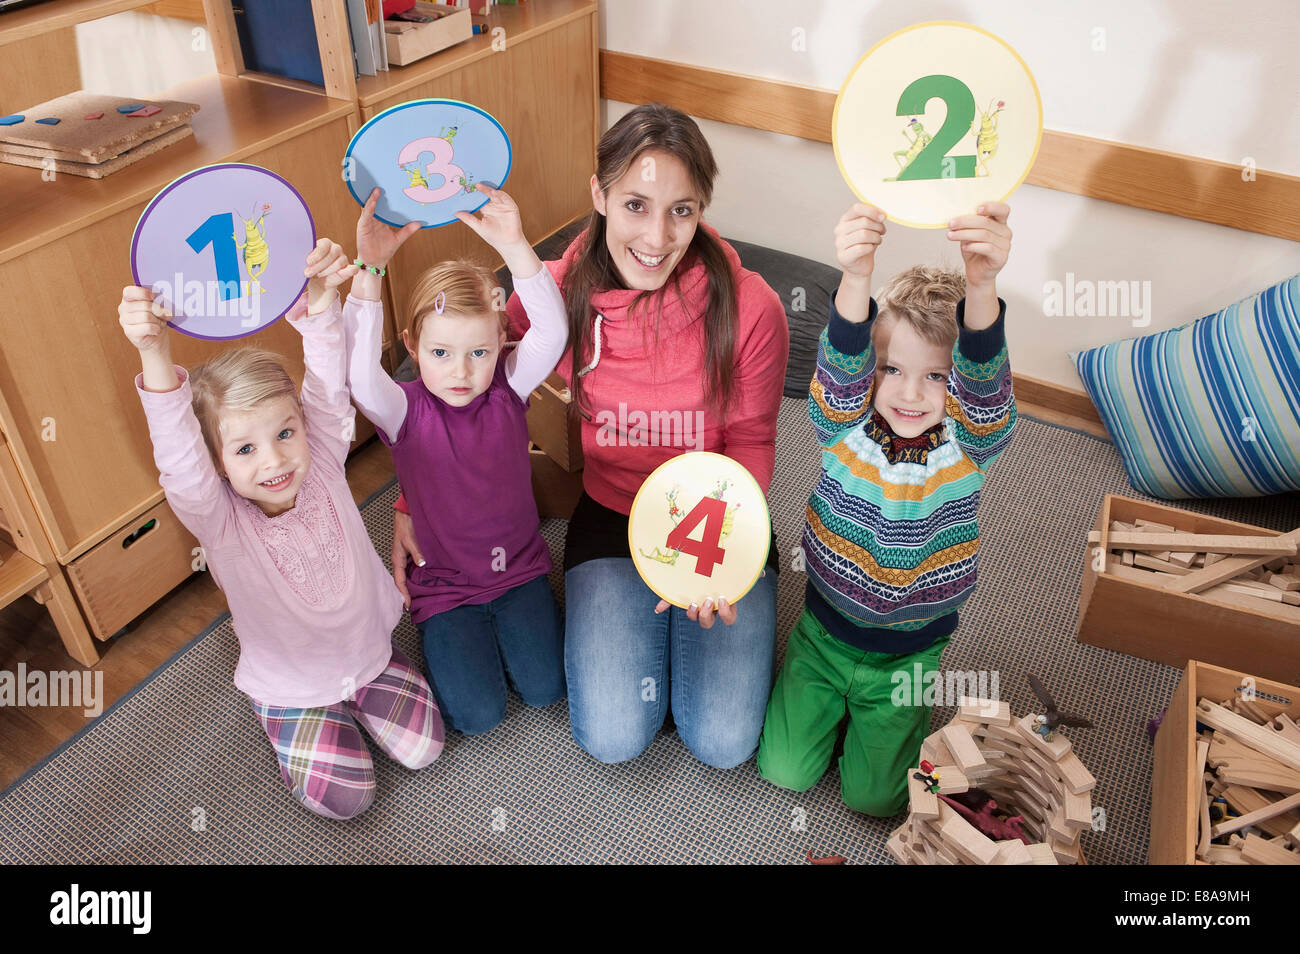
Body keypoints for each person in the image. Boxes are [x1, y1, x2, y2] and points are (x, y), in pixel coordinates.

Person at [392, 103, 790, 767]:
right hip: (612, 514)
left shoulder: (754, 308)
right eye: (635, 204)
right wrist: (411, 502)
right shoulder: (553, 295)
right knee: (612, 737)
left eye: (681, 210)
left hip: (717, 522)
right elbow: (459, 396)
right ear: (599, 194)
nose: (658, 237)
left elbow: (751, 439)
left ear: (702, 208)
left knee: (722, 743)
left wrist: (712, 561)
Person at [118, 239, 444, 820]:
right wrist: (153, 350)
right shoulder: (216, 516)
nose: (274, 461)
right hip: (292, 683)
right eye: (244, 449)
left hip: (366, 651)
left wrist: (319, 300)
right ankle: (288, 715)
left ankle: (366, 680)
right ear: (218, 462)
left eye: (284, 434)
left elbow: (327, 386)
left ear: (301, 426)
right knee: (346, 801)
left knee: (425, 751)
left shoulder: (321, 457)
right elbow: (179, 453)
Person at [756, 201, 1017, 815]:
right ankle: (827, 705)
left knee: (876, 801)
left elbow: (985, 386)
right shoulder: (842, 425)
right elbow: (840, 367)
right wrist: (855, 276)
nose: (908, 392)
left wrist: (982, 285)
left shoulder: (970, 440)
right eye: (892, 369)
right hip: (823, 635)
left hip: (910, 652)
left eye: (935, 377)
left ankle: (885, 722)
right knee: (784, 772)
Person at [345, 184, 568, 736]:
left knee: (547, 689)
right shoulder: (402, 410)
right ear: (412, 347)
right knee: (476, 716)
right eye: (440, 353)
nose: (461, 372)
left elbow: (554, 330)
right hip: (445, 587)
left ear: (502, 345)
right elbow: (358, 375)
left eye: (479, 353)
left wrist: (516, 247)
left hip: (518, 571)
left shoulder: (509, 390)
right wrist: (369, 273)